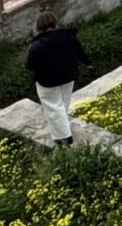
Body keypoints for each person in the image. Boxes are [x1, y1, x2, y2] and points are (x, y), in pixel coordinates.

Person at [25, 9, 86, 145]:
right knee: (63, 103)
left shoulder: (37, 45)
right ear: (55, 23)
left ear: (38, 27)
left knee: (53, 107)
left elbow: (29, 65)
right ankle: (64, 128)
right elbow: (81, 54)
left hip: (47, 81)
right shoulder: (69, 37)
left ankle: (64, 137)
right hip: (68, 76)